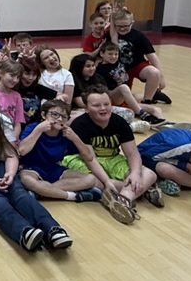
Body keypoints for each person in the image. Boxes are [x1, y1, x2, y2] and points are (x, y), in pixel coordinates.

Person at [0, 85, 75, 251]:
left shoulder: (1, 120)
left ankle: (53, 229)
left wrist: (10, 173)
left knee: (18, 192)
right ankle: (24, 232)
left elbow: (11, 153)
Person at [64, 87, 159, 224]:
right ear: (86, 108)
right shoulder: (80, 125)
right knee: (94, 182)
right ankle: (142, 190)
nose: (103, 108)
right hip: (83, 160)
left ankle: (123, 200)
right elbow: (90, 159)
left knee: (150, 174)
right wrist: (107, 181)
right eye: (96, 105)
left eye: (107, 104)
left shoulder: (119, 122)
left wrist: (136, 173)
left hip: (113, 159)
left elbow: (132, 153)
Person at [15, 99, 102, 202]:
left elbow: (89, 157)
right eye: (54, 114)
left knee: (90, 179)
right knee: (27, 180)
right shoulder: (33, 127)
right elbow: (22, 150)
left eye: (64, 117)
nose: (59, 119)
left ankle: (42, 192)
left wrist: (75, 138)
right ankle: (73, 196)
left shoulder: (66, 134)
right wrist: (39, 130)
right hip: (31, 168)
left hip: (54, 169)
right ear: (44, 115)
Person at [110, 9, 171, 104]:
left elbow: (151, 55)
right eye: (119, 26)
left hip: (137, 65)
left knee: (154, 73)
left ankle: (147, 100)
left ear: (132, 23)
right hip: (121, 69)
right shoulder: (111, 36)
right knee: (123, 100)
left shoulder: (138, 36)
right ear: (114, 25)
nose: (122, 29)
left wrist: (161, 77)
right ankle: (152, 95)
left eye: (125, 26)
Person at [0, 58, 24, 137]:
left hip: (11, 138)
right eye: (12, 75)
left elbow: (18, 124)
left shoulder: (17, 96)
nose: (15, 80)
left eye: (18, 77)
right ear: (1, 73)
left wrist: (11, 141)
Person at [17, 57, 56, 128]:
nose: (30, 78)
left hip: (37, 126)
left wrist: (60, 97)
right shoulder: (13, 88)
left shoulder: (37, 88)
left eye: (34, 75)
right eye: (27, 74)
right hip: (18, 127)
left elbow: (61, 96)